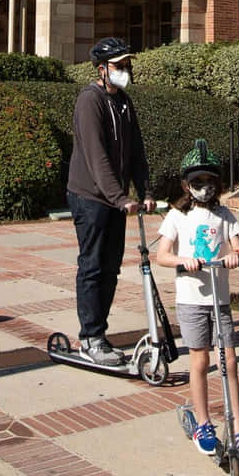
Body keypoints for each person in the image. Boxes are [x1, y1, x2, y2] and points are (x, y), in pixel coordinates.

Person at [153, 140, 239, 463]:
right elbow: (162, 255)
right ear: (187, 185)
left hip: (220, 300)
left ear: (218, 185)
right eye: (197, 183)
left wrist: (234, 256)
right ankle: (203, 423)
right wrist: (182, 260)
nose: (203, 188)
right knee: (199, 361)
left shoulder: (224, 215)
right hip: (191, 301)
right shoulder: (177, 215)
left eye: (209, 182)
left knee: (229, 362)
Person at [68, 36, 151, 367]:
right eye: (119, 66)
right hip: (90, 198)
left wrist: (145, 192)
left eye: (127, 65)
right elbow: (96, 155)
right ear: (102, 70)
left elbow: (136, 152)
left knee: (112, 268)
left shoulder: (124, 102)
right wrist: (119, 197)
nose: (125, 71)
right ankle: (90, 337)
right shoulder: (90, 101)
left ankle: (99, 332)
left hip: (114, 200)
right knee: (93, 266)